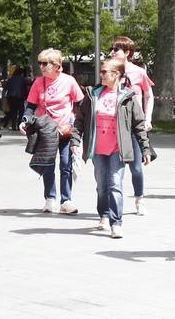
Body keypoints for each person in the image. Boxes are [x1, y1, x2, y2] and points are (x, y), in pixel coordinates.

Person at [77, 58, 150, 239]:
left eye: (105, 72)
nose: (101, 75)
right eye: (101, 72)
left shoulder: (128, 97)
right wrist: (75, 142)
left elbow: (139, 124)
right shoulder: (92, 94)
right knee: (102, 186)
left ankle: (116, 223)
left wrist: (145, 149)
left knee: (115, 185)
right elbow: (80, 120)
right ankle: (104, 214)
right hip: (98, 149)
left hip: (118, 149)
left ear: (116, 74)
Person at [24, 49, 85, 213]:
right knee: (48, 165)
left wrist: (78, 125)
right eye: (40, 63)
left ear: (57, 66)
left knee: (66, 165)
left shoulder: (69, 81)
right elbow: (30, 106)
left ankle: (66, 201)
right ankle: (50, 198)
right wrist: (25, 120)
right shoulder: (38, 82)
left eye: (45, 63)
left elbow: (81, 104)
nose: (42, 67)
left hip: (65, 130)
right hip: (46, 131)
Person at [108, 36, 155, 215]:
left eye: (116, 49)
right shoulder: (109, 71)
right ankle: (111, 204)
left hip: (134, 124)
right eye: (111, 49)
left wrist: (147, 118)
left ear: (127, 53)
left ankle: (139, 199)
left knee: (136, 166)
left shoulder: (139, 72)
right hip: (114, 124)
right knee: (112, 167)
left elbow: (149, 95)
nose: (112, 52)